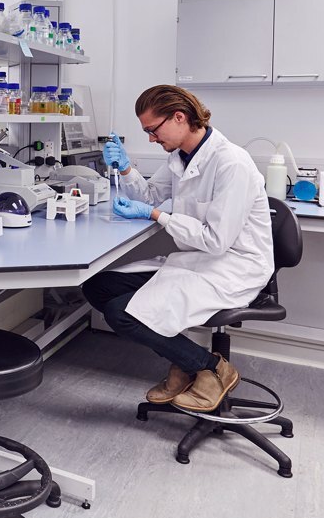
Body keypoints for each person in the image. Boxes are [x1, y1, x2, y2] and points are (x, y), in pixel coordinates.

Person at [82, 85, 274, 412]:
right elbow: (149, 196)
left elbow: (216, 240)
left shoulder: (231, 164)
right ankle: (185, 364)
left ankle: (212, 369)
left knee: (120, 313)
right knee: (98, 287)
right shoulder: (179, 156)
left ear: (179, 118)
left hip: (234, 268)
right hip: (196, 260)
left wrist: (158, 216)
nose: (151, 140)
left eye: (153, 131)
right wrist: (127, 169)